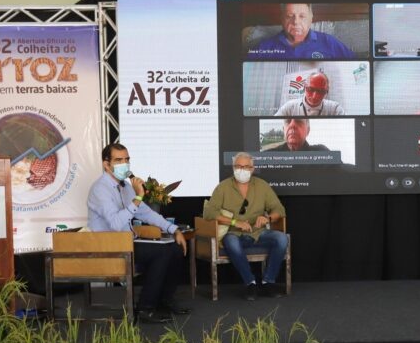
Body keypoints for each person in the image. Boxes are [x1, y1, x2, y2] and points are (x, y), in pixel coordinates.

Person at [87, 143, 188, 323]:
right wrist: (138, 196)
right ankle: (145, 309)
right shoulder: (99, 189)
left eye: (127, 160)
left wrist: (174, 229)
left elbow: (146, 213)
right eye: (118, 160)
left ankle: (164, 301)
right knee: (162, 252)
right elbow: (116, 224)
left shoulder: (125, 187)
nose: (124, 164)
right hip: (109, 246)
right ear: (106, 164)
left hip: (127, 242)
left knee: (175, 248)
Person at [204, 153, 288, 300]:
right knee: (230, 241)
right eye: (238, 166)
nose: (241, 170)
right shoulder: (223, 187)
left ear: (252, 168)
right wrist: (235, 223)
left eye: (245, 167)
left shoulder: (262, 185)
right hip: (235, 234)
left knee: (281, 239)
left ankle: (268, 282)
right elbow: (210, 213)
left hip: (259, 232)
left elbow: (279, 210)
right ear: (233, 168)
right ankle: (250, 283)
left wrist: (267, 218)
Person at [250, 3, 355, 60]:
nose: (296, 21)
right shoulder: (264, 48)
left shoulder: (329, 42)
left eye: (302, 16)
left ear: (311, 18)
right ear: (282, 19)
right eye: (289, 16)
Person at [274, 71, 345, 116]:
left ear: (327, 91)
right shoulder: (289, 107)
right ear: (304, 87)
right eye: (311, 89)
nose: (314, 96)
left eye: (321, 91)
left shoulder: (335, 109)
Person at [265, 118, 329, 152]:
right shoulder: (268, 155)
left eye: (298, 121)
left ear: (308, 130)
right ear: (283, 130)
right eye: (288, 121)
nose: (292, 125)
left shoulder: (322, 152)